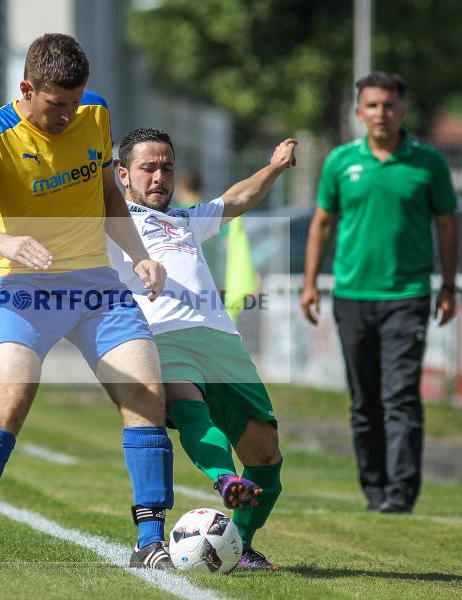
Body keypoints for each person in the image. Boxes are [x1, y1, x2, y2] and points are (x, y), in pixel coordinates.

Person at [0, 34, 175, 570]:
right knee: (11, 400)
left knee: (146, 394)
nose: (67, 114)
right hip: (24, 289)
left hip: (97, 287)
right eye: (54, 104)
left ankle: (151, 542)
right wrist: (4, 241)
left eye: (74, 101)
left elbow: (109, 193)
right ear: (27, 88)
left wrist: (138, 255)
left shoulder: (96, 113)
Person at [109, 127, 297, 570]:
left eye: (167, 167)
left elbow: (236, 199)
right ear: (122, 174)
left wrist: (274, 167)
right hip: (161, 335)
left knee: (266, 455)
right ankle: (223, 478)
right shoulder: (112, 223)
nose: (159, 176)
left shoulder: (186, 220)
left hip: (221, 340)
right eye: (147, 168)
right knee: (188, 405)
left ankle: (242, 545)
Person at [300, 72, 458, 514]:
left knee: (401, 397)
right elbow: (322, 224)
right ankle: (374, 489)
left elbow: (447, 225)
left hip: (408, 295)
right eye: (372, 105)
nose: (381, 113)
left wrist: (448, 284)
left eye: (389, 105)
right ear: (358, 112)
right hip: (351, 295)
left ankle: (401, 494)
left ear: (402, 110)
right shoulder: (339, 162)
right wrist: (310, 282)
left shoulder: (428, 164)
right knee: (364, 401)